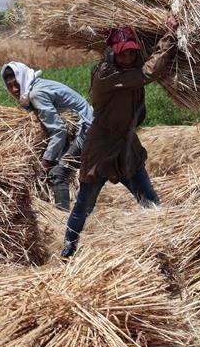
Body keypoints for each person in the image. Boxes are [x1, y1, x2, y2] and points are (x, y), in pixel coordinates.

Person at [61, 26, 175, 258]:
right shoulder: (107, 75)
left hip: (126, 145)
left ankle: (165, 246)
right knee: (85, 204)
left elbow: (146, 67)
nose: (127, 57)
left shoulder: (130, 67)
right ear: (112, 53)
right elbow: (148, 73)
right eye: (122, 53)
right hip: (101, 147)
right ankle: (68, 250)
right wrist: (170, 38)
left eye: (131, 53)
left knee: (149, 199)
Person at [1, 61, 94, 211]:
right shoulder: (35, 85)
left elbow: (58, 131)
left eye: (16, 83)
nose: (14, 89)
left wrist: (46, 161)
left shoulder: (36, 93)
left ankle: (61, 219)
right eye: (10, 86)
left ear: (22, 78)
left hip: (87, 130)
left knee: (58, 173)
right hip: (83, 128)